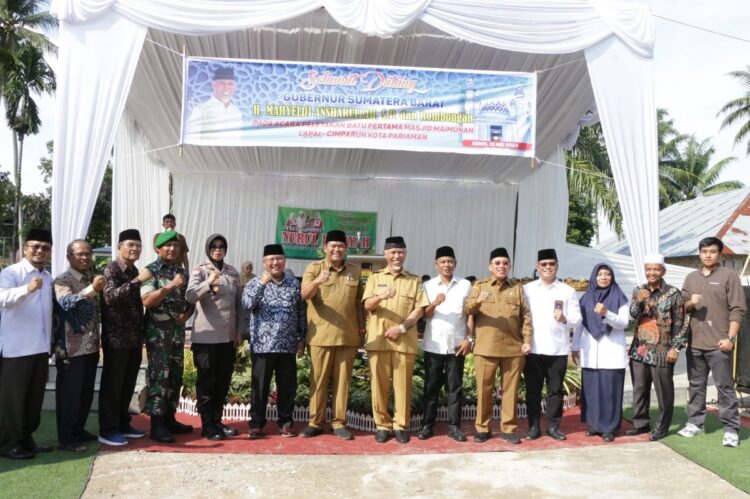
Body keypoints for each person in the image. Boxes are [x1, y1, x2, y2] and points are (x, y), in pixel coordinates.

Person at [679, 237, 746, 447]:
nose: (708, 255)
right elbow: (681, 308)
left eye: (713, 251)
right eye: (704, 251)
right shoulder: (690, 278)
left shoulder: (729, 276)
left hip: (719, 343)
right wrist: (690, 303)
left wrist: (731, 338)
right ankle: (695, 422)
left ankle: (731, 428)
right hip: (695, 344)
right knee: (696, 385)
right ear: (699, 253)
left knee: (724, 387)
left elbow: (738, 309)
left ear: (720, 254)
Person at [362, 236, 428, 444]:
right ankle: (382, 424)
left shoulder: (414, 280)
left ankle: (401, 425)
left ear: (405, 254)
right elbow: (367, 305)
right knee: (379, 386)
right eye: (392, 252)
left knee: (403, 386)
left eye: (400, 252)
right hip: (378, 340)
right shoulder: (374, 278)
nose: (396, 256)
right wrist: (381, 296)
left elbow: (419, 309)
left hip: (403, 340)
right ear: (385, 254)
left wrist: (401, 328)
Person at [300, 230, 364, 441]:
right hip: (320, 336)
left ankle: (339, 423)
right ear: (325, 247)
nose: (336, 250)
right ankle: (315, 422)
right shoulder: (314, 268)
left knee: (342, 381)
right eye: (333, 246)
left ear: (346, 249)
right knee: (318, 380)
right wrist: (318, 280)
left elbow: (360, 304)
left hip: (347, 336)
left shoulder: (355, 271)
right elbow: (304, 294)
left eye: (340, 246)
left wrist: (362, 330)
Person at [464, 247, 532, 445]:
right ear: (490, 266)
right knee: (484, 389)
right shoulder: (480, 286)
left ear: (509, 266)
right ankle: (482, 428)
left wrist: (527, 340)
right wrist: (478, 301)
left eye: (505, 263)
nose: (501, 266)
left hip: (513, 348)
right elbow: (467, 309)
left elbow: (526, 316)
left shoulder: (517, 288)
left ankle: (508, 428)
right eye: (497, 263)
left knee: (510, 391)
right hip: (486, 348)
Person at [242, 244, 306, 439]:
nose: (275, 263)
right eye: (271, 259)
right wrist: (262, 283)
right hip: (263, 345)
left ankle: (286, 423)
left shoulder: (294, 283)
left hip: (287, 345)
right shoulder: (254, 283)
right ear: (264, 262)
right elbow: (247, 304)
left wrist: (302, 338)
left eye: (279, 259)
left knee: (287, 387)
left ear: (284, 260)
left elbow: (301, 312)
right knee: (259, 387)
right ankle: (256, 424)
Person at [0, 229, 54, 460]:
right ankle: (7, 443)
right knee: (12, 400)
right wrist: (27, 289)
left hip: (40, 348)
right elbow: (2, 299)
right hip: (16, 348)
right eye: (35, 246)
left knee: (34, 398)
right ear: (25, 248)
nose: (40, 250)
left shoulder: (49, 276)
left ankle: (25, 438)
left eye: (45, 247)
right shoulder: (12, 272)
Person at [186, 234, 242, 441]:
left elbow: (239, 305)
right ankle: (207, 424)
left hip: (228, 338)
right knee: (206, 383)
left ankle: (217, 420)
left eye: (221, 246)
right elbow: (190, 296)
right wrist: (207, 283)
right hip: (206, 337)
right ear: (208, 249)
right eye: (214, 246)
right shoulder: (199, 271)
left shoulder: (232, 272)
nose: (218, 249)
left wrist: (239, 331)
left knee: (222, 382)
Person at [141, 231, 195, 443]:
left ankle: (170, 418)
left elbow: (191, 301)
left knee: (175, 376)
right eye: (167, 245)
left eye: (176, 245)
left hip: (177, 334)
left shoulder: (182, 272)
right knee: (159, 377)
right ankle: (157, 424)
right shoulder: (151, 271)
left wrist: (187, 315)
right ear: (158, 248)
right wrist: (171, 285)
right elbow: (147, 300)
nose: (172, 249)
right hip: (158, 334)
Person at [625, 255, 686, 441]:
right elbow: (634, 315)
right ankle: (641, 424)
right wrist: (640, 300)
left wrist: (676, 348)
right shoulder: (638, 290)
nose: (652, 273)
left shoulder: (674, 293)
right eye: (649, 269)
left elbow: (681, 323)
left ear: (663, 271)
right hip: (640, 348)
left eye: (656, 269)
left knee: (663, 390)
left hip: (662, 349)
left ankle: (662, 426)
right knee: (639, 388)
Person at [523, 248, 581, 441]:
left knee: (555, 391)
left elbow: (577, 318)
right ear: (537, 267)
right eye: (543, 264)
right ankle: (533, 426)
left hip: (557, 349)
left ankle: (553, 426)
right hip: (533, 349)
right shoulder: (527, 289)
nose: (547, 267)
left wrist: (565, 318)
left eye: (551, 264)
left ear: (557, 266)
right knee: (533, 390)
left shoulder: (567, 290)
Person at [99, 229, 151, 447]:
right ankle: (108, 429)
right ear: (119, 246)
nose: (134, 249)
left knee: (127, 383)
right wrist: (138, 281)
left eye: (138, 246)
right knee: (113, 385)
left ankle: (122, 423)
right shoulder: (111, 270)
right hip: (116, 338)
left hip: (133, 338)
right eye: (130, 245)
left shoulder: (133, 270)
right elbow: (110, 297)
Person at [53, 240, 105, 452]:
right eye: (80, 254)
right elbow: (66, 302)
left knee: (84, 393)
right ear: (69, 257)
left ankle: (78, 429)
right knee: (70, 395)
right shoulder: (62, 280)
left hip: (90, 346)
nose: (85, 257)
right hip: (70, 349)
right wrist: (93, 289)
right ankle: (67, 438)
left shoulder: (88, 278)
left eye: (88, 254)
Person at [418, 246, 473, 443]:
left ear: (455, 263)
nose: (447, 265)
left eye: (450, 261)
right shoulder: (428, 286)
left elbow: (470, 314)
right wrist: (434, 303)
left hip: (457, 345)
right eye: (443, 261)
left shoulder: (465, 285)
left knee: (455, 387)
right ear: (436, 264)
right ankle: (427, 425)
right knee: (430, 387)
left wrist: (469, 339)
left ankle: (454, 426)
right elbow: (424, 314)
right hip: (434, 345)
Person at [572, 263, 630, 442]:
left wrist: (607, 313)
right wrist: (574, 347)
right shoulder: (585, 299)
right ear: (593, 276)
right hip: (590, 351)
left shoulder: (620, 297)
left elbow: (623, 323)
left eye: (607, 274)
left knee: (610, 391)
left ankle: (609, 428)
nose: (603, 277)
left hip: (611, 351)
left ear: (612, 277)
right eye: (600, 274)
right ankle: (594, 425)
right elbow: (579, 326)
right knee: (592, 390)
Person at [185, 66, 243, 142]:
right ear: (213, 85)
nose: (226, 87)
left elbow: (237, 141)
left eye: (230, 83)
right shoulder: (200, 110)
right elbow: (192, 141)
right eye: (222, 83)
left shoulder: (237, 112)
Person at [238, 261, 256, 342]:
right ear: (243, 268)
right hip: (241, 299)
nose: (249, 270)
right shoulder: (239, 276)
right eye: (247, 268)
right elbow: (238, 286)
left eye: (250, 268)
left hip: (251, 300)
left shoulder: (254, 276)